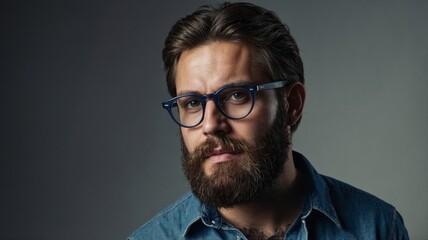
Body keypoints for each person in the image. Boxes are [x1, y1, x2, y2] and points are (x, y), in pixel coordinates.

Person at [128, 2, 409, 239]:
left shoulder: (378, 227)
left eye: (237, 95)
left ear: (292, 104)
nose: (211, 124)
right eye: (192, 103)